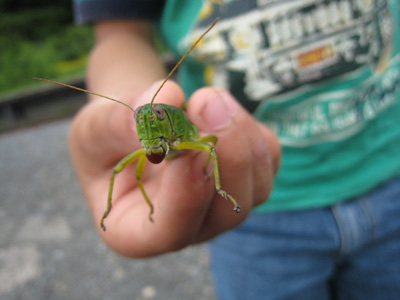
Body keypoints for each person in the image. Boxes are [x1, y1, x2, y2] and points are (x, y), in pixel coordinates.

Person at [71, 1, 400, 299]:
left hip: (389, 168)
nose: (147, 122)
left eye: (153, 116)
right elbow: (120, 34)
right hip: (252, 216)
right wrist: (128, 94)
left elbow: (208, 144)